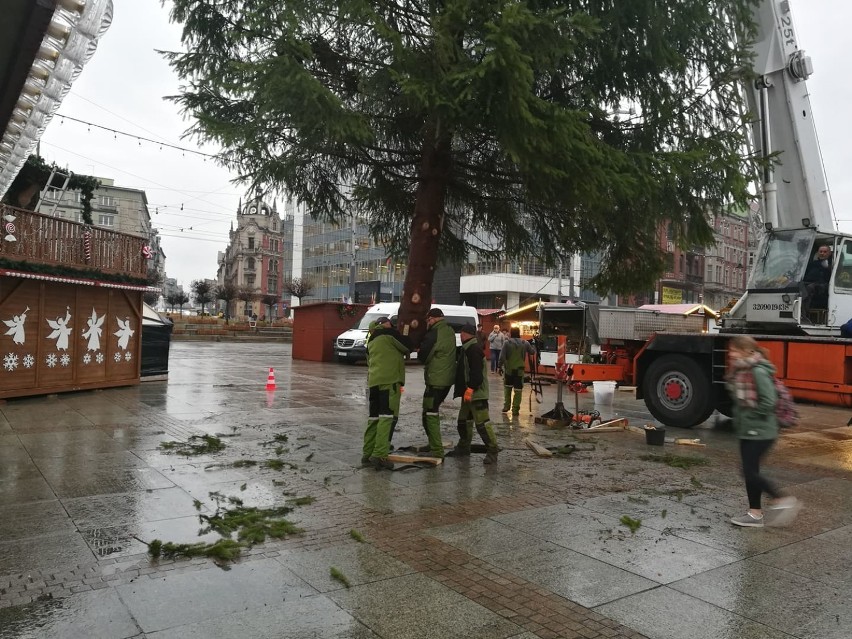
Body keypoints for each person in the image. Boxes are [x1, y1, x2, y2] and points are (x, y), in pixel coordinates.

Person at [725, 335, 799, 527]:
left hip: (761, 431)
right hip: (747, 430)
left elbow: (769, 401)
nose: (730, 353)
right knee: (750, 471)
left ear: (747, 351)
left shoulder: (757, 371)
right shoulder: (741, 370)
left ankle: (781, 499)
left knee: (748, 471)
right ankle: (755, 514)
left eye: (734, 350)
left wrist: (750, 416)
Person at [362, 316, 411, 471]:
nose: (392, 325)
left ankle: (367, 454)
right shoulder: (390, 334)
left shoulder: (370, 341)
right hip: (389, 381)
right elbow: (407, 346)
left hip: (374, 383)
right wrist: (404, 334)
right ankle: (380, 455)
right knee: (386, 418)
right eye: (390, 323)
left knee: (373, 419)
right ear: (384, 324)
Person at [448, 323, 499, 464]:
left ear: (466, 334)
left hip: (477, 394)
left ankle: (492, 451)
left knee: (482, 424)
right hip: (469, 394)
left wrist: (470, 388)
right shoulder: (467, 348)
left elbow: (476, 373)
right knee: (463, 421)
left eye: (462, 333)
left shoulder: (473, 349)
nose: (461, 335)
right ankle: (464, 447)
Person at [418, 308, 457, 459]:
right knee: (429, 411)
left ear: (433, 319)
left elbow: (424, 356)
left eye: (428, 320)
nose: (427, 323)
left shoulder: (434, 333)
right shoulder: (449, 330)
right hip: (446, 380)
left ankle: (436, 449)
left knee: (429, 413)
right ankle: (433, 443)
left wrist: (420, 349)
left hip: (436, 380)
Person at [498, 327, 536, 416]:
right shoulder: (525, 343)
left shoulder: (507, 343)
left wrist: (499, 366)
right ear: (519, 333)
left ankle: (506, 406)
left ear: (511, 333)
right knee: (518, 391)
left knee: (507, 389)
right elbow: (532, 352)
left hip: (508, 371)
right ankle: (515, 410)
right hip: (519, 371)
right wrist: (533, 344)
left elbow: (502, 356)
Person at [800, 244, 833, 321]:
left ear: (829, 253)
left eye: (825, 252)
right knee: (798, 285)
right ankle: (799, 311)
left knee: (810, 288)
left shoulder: (832, 263)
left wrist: (828, 267)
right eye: (821, 251)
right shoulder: (813, 263)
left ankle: (804, 314)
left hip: (825, 285)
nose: (822, 253)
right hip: (810, 283)